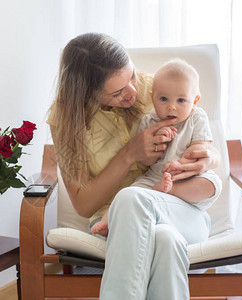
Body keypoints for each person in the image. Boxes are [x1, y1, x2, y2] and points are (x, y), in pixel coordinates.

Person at [48, 32, 220, 300]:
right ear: (88, 94)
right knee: (165, 240)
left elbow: (202, 139)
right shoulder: (65, 119)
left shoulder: (161, 90)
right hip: (115, 223)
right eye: (117, 92)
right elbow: (83, 205)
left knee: (131, 199)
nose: (132, 92)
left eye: (132, 76)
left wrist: (210, 156)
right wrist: (129, 154)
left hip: (182, 212)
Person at [91, 58, 222, 237]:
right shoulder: (149, 120)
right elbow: (147, 161)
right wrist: (159, 142)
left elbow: (200, 147)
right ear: (153, 98)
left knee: (213, 184)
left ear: (195, 101)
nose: (171, 107)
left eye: (181, 100)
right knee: (128, 194)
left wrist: (183, 163)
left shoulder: (196, 118)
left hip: (189, 177)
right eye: (163, 99)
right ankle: (108, 220)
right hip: (156, 177)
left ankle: (170, 191)